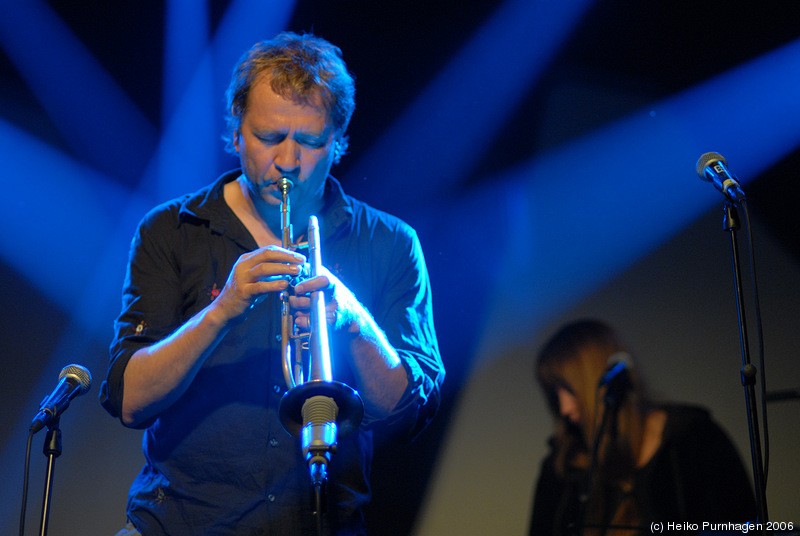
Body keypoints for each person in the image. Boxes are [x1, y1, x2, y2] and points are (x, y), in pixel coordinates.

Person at [100, 32, 444, 536]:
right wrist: (222, 309)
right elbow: (130, 402)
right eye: (267, 138)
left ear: (338, 141)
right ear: (236, 132)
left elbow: (404, 413)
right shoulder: (171, 230)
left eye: (308, 142)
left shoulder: (391, 243)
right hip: (179, 522)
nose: (286, 162)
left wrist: (353, 320)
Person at [528, 319, 757, 536]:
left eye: (569, 389)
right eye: (554, 392)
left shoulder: (693, 441)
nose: (564, 408)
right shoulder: (562, 466)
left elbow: (741, 525)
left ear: (600, 382)